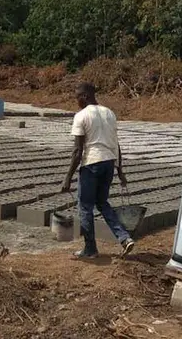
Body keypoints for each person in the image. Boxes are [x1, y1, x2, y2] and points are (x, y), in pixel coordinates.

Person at [61, 82, 134, 259]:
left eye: (77, 97)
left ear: (85, 97)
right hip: (109, 163)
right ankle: (124, 238)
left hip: (92, 164)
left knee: (85, 206)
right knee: (102, 202)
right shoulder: (110, 113)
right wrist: (120, 170)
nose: (76, 101)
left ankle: (90, 249)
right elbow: (116, 144)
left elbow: (78, 151)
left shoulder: (81, 116)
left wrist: (68, 177)